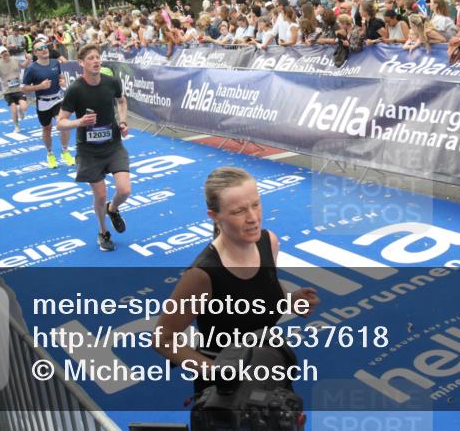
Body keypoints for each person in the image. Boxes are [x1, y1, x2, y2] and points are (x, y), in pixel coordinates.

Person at [153, 167, 319, 393]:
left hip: (270, 369)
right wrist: (220, 372)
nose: (253, 218)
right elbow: (163, 339)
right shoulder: (203, 275)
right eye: (239, 211)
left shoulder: (268, 242)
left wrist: (289, 300)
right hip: (226, 391)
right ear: (214, 216)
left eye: (256, 204)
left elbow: (254, 296)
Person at [58, 45, 130, 252]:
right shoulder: (75, 90)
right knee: (99, 195)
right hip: (89, 151)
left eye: (98, 57)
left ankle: (113, 208)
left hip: (113, 144)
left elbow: (122, 101)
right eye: (90, 58)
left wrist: (122, 122)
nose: (96, 61)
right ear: (82, 63)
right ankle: (103, 232)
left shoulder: (112, 82)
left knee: (124, 190)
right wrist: (78, 122)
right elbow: (61, 122)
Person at [22, 40, 75, 169]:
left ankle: (65, 151)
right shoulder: (31, 68)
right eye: (40, 49)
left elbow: (60, 76)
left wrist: (62, 81)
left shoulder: (55, 62)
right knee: (47, 128)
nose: (44, 50)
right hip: (43, 102)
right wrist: (40, 86)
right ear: (35, 53)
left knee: (63, 124)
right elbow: (24, 88)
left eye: (45, 47)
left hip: (57, 99)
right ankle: (50, 154)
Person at [0, 46, 29, 133]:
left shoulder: (15, 60)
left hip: (18, 89)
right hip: (8, 91)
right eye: (2, 53)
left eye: (5, 51)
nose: (5, 54)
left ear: (8, 52)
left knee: (24, 107)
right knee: (13, 109)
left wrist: (28, 60)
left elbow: (23, 66)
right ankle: (16, 126)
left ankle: (20, 110)